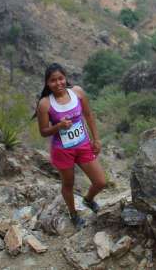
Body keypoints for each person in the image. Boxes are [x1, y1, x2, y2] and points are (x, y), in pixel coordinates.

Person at [35, 63, 106, 228]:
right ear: (47, 83)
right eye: (53, 80)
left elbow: (88, 115)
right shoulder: (45, 104)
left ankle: (88, 200)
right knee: (68, 184)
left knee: (100, 181)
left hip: (83, 146)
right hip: (62, 151)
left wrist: (96, 139)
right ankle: (73, 214)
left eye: (60, 78)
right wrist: (58, 126)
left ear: (65, 78)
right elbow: (44, 132)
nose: (58, 83)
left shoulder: (77, 92)